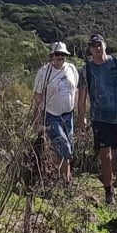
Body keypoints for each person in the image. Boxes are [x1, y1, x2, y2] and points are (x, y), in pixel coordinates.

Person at [76, 33, 117, 206]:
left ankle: (113, 178)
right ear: (90, 50)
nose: (97, 48)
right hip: (99, 118)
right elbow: (82, 96)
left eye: (99, 44)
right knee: (104, 155)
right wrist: (82, 118)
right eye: (93, 46)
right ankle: (109, 190)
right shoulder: (87, 70)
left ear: (105, 45)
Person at [32, 41, 79, 183]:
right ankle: (51, 175)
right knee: (64, 146)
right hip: (51, 115)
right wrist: (36, 118)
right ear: (52, 56)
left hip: (68, 115)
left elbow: (75, 90)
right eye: (57, 54)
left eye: (63, 55)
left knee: (67, 147)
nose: (60, 57)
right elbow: (38, 96)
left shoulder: (71, 69)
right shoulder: (44, 72)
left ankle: (64, 179)